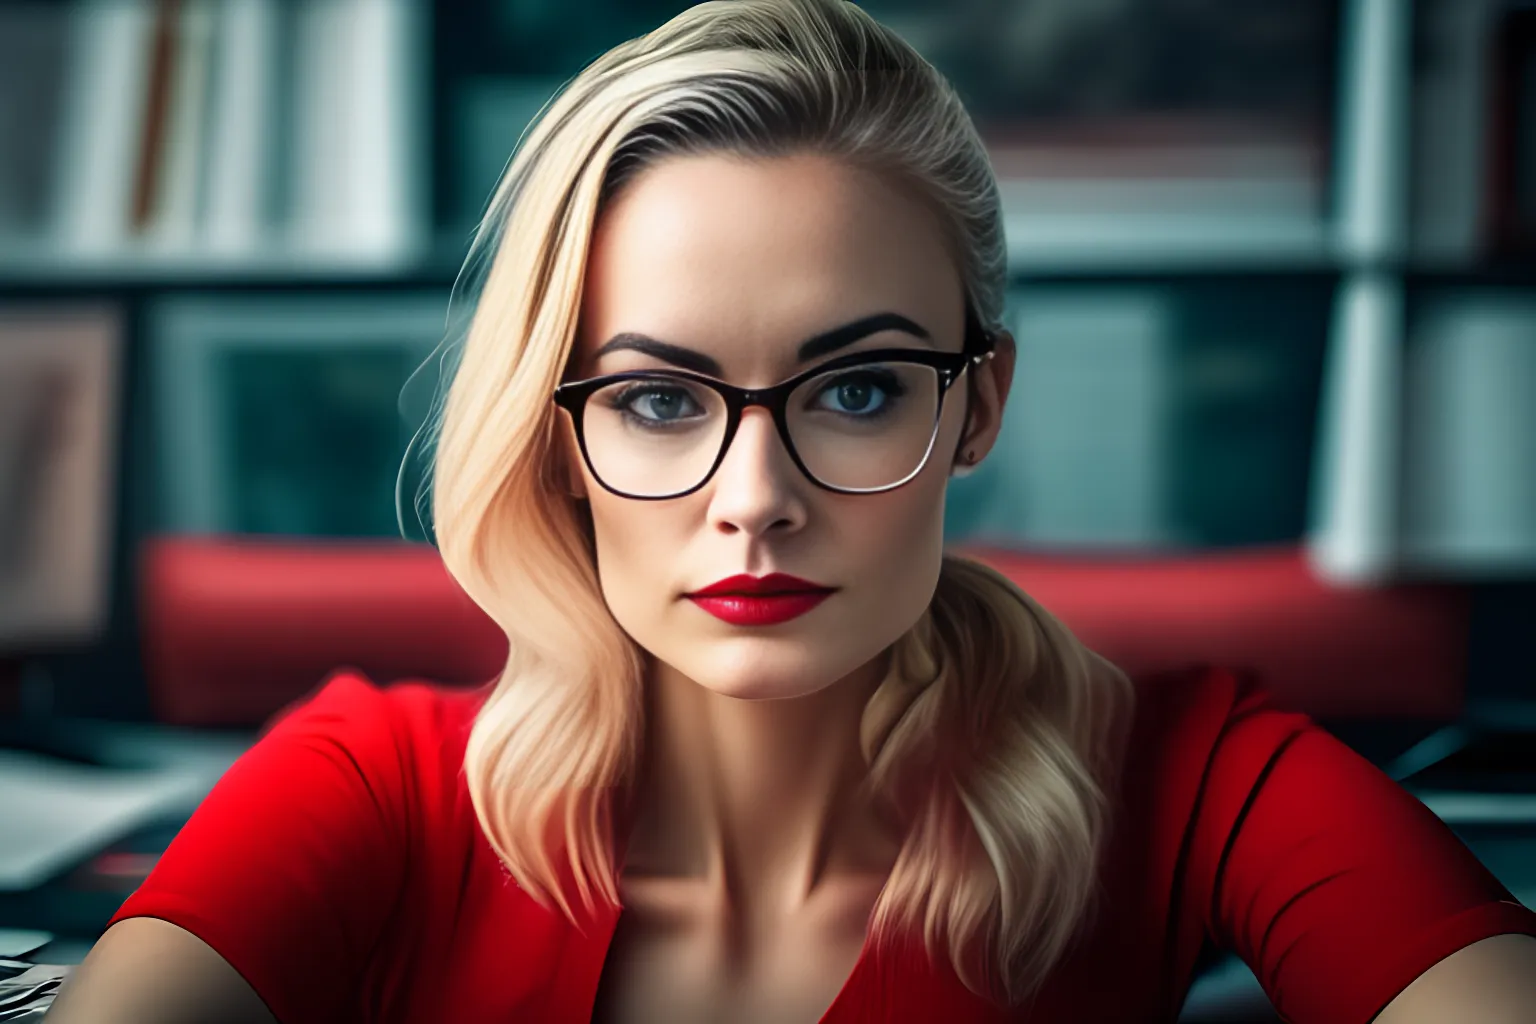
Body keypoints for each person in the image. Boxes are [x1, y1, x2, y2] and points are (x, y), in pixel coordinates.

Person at [49, 1, 1536, 1021]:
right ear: (554, 435)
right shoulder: (369, 788)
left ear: (981, 405)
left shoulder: (1201, 781)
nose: (755, 502)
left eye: (859, 391)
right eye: (656, 399)